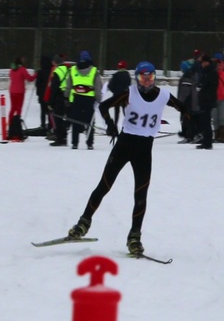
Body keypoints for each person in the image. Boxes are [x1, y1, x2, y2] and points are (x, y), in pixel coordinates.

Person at [65, 61, 187, 255]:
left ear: (154, 78)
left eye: (150, 77)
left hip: (144, 150)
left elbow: (184, 108)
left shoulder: (163, 95)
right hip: (124, 146)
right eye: (142, 77)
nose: (146, 82)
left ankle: (134, 237)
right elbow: (104, 107)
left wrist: (192, 123)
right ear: (137, 78)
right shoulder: (129, 93)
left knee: (140, 195)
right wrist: (111, 125)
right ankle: (83, 224)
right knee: (104, 186)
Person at [64, 50, 103, 150]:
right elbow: (98, 87)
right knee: (90, 122)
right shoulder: (94, 71)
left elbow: (68, 85)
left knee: (75, 121)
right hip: (89, 99)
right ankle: (89, 143)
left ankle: (75, 143)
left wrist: (66, 97)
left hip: (76, 98)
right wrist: (99, 99)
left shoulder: (72, 70)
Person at [196, 55, 219, 149]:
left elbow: (212, 87)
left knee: (206, 121)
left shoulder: (212, 72)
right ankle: (206, 140)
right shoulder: (205, 72)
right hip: (203, 99)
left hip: (207, 101)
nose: (203, 64)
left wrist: (205, 96)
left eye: (205, 62)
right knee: (204, 121)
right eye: (202, 62)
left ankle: (208, 142)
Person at [8, 56, 37, 126]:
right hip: (20, 92)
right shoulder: (22, 69)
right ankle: (17, 124)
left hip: (12, 91)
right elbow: (30, 79)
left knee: (13, 108)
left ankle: (10, 123)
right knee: (18, 108)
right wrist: (36, 74)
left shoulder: (12, 70)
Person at [48, 54, 70, 146]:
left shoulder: (57, 71)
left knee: (58, 118)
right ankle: (64, 137)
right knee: (64, 118)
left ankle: (59, 138)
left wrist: (50, 101)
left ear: (55, 63)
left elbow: (54, 88)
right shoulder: (68, 70)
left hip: (59, 96)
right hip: (67, 96)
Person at [107, 60, 131, 128]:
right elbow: (129, 85)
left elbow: (110, 86)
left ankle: (115, 125)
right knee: (125, 111)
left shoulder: (115, 75)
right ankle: (128, 125)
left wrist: (115, 91)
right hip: (125, 96)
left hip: (116, 96)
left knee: (116, 112)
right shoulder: (127, 75)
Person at [35, 55, 53, 132]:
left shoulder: (40, 72)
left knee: (42, 110)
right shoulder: (52, 71)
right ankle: (50, 125)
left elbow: (37, 84)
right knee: (50, 110)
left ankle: (42, 124)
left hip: (42, 93)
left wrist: (38, 93)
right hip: (49, 93)